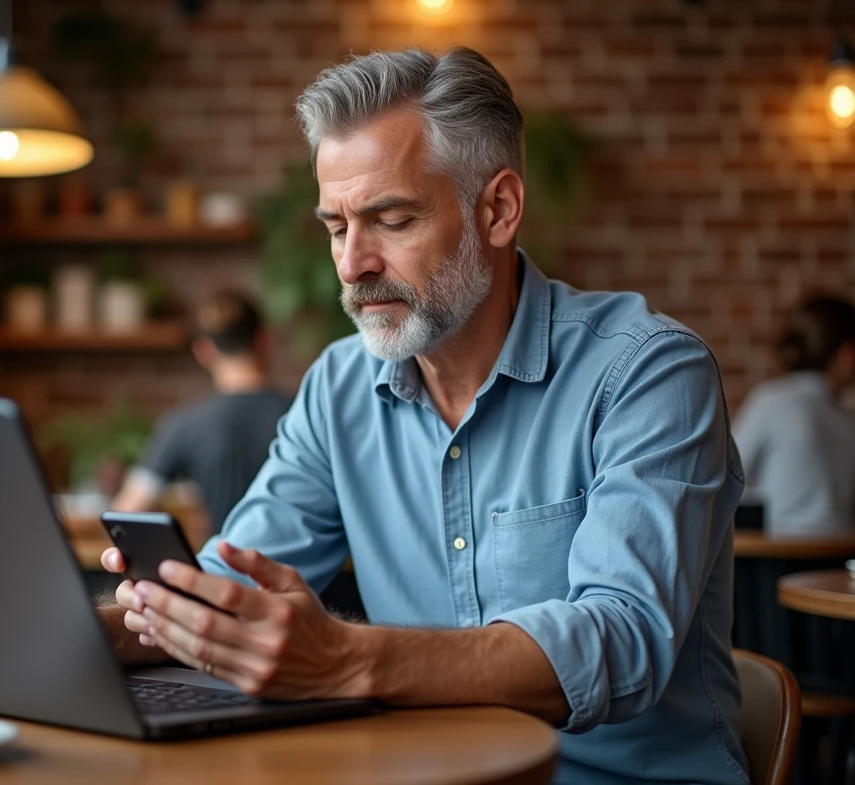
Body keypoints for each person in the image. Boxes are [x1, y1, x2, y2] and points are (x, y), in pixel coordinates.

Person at [99, 48, 747, 785]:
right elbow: (228, 587)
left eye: (392, 220)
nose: (352, 264)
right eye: (336, 227)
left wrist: (343, 661)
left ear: (498, 210)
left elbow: (622, 641)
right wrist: (81, 634)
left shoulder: (647, 372)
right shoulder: (340, 385)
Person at [111, 291, 292, 532]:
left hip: (220, 565)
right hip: (302, 568)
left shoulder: (185, 423)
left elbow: (126, 514)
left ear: (204, 351)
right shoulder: (304, 414)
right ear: (264, 339)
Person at [733, 295, 855, 535]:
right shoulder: (848, 421)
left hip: (779, 558)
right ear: (846, 356)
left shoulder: (769, 401)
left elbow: (729, 477)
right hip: (842, 557)